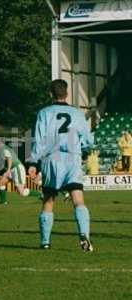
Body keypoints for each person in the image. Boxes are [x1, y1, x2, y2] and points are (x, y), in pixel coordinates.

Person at [28, 79, 94, 251]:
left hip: (52, 159)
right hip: (72, 158)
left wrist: (34, 161)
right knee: (78, 199)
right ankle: (84, 235)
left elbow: (40, 139)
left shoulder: (44, 113)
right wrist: (85, 150)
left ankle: (45, 242)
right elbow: (88, 139)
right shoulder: (78, 113)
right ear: (67, 93)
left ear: (50, 94)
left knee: (48, 200)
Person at [0, 140, 40, 205]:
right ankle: (3, 202)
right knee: (2, 182)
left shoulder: (4, 149)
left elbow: (9, 159)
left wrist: (8, 170)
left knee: (22, 192)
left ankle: (41, 194)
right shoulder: (3, 149)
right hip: (13, 169)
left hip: (17, 168)